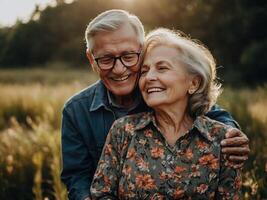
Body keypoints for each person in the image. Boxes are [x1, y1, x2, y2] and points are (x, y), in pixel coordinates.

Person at [61, 10, 249, 200]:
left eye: (128, 55)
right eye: (106, 59)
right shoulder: (77, 111)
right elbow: (77, 176)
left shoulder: (160, 93)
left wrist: (232, 137)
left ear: (142, 52)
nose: (118, 69)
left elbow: (208, 111)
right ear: (92, 60)